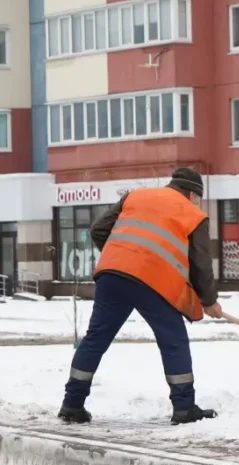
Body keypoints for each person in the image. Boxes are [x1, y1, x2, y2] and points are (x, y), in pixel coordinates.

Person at [58, 168, 223, 425]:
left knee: (95, 339)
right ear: (192, 193)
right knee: (173, 340)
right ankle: (184, 408)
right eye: (198, 198)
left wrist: (124, 256)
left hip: (112, 275)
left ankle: (71, 404)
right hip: (152, 282)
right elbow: (201, 263)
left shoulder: (135, 196)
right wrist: (209, 299)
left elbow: (99, 229)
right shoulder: (194, 214)